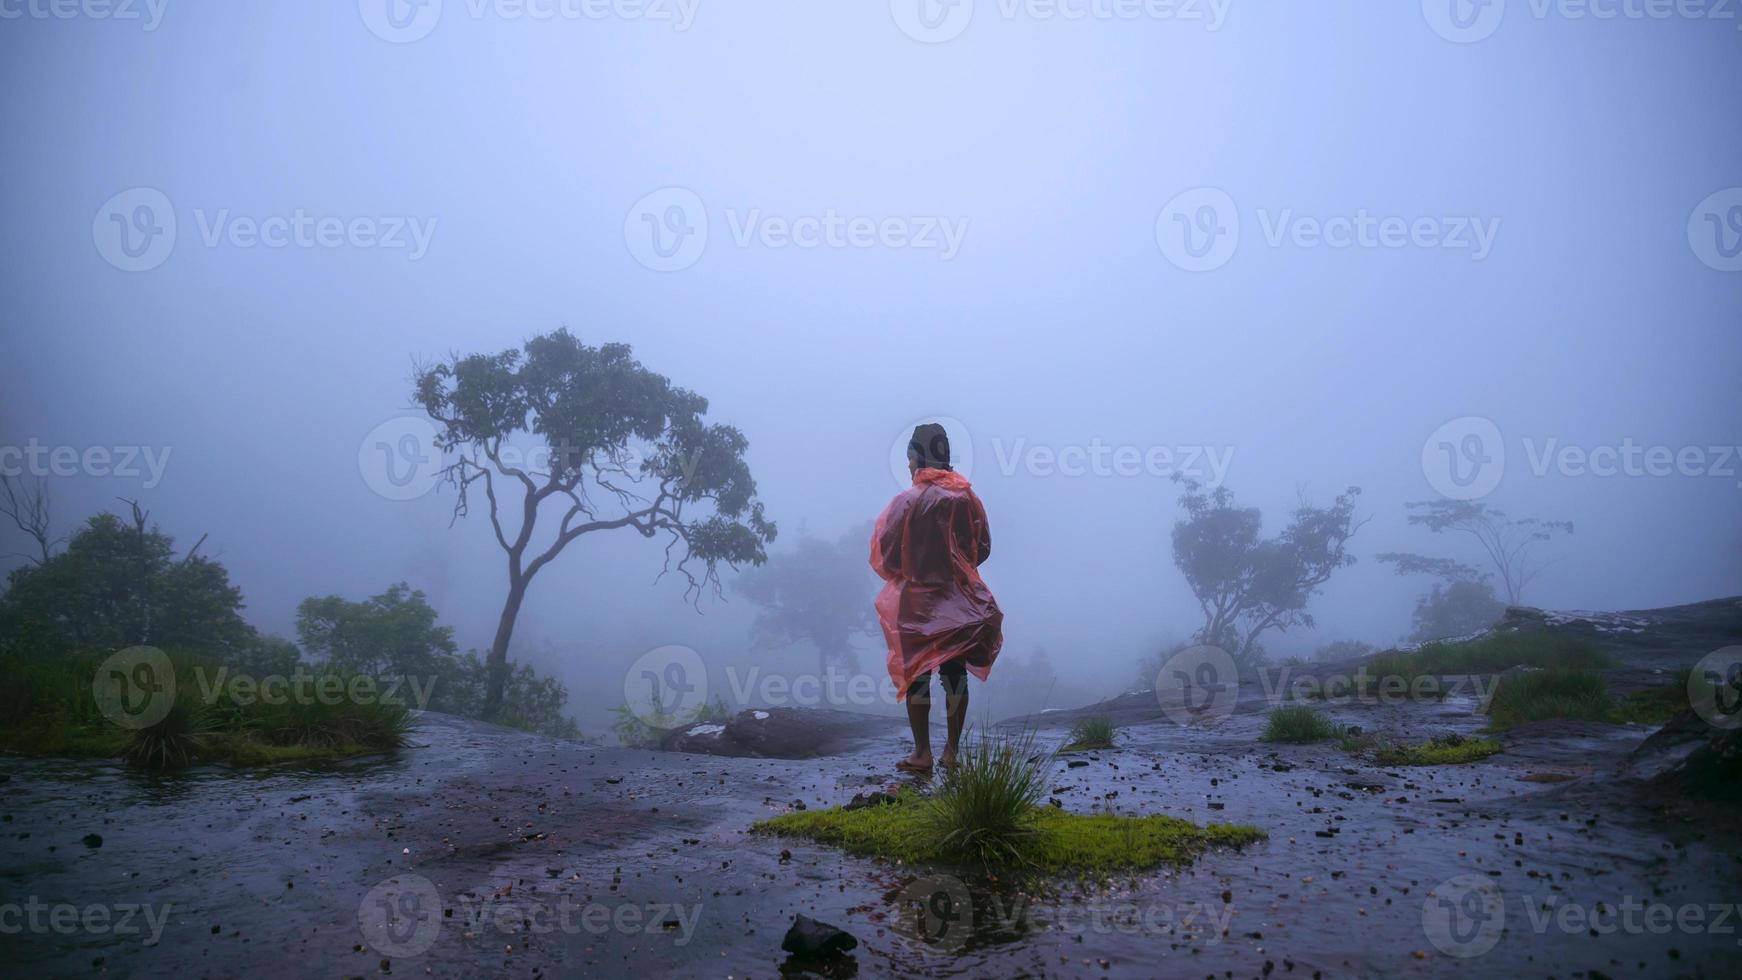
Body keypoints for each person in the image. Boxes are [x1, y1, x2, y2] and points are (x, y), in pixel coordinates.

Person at [870, 422, 1003, 773]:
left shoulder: (906, 502)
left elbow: (886, 554)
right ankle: (953, 752)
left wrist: (916, 570)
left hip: (917, 602)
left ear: (918, 456)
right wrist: (957, 568)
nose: (908, 466)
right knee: (955, 673)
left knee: (917, 674)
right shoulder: (968, 498)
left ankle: (922, 754)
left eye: (909, 459)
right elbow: (983, 546)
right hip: (960, 598)